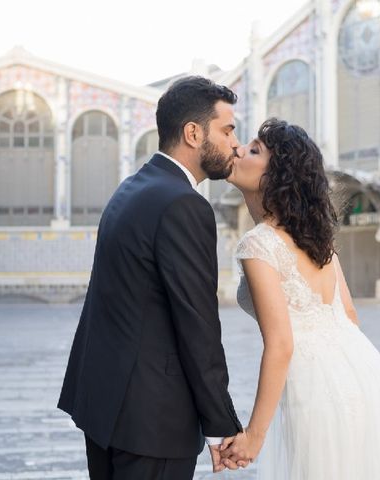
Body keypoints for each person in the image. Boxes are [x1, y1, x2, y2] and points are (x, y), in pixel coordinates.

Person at [220, 118, 380, 479]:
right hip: (366, 377)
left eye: (254, 149)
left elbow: (280, 344)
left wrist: (254, 436)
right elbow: (350, 315)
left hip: (314, 391)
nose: (237, 149)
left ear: (277, 176)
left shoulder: (258, 243)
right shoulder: (317, 240)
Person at [57, 76, 247, 480]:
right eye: (228, 130)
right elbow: (198, 324)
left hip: (104, 408)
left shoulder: (131, 189)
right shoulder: (184, 205)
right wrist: (221, 424)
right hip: (152, 422)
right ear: (193, 133)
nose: (235, 144)